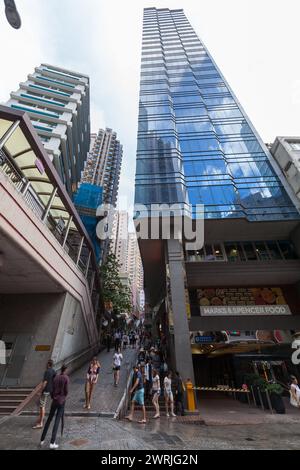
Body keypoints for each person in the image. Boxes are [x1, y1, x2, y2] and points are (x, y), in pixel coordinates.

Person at [40, 364, 69, 450]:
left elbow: (52, 389)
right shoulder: (66, 378)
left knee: (49, 419)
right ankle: (52, 442)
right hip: (61, 401)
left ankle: (42, 439)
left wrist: (53, 397)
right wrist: (64, 397)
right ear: (66, 370)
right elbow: (66, 391)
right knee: (57, 421)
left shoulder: (56, 377)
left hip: (54, 401)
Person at [32, 360, 56, 429]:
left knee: (42, 406)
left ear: (48, 364)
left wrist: (41, 391)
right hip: (49, 391)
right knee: (41, 404)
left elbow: (45, 382)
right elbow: (54, 380)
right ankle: (40, 419)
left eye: (46, 364)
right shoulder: (54, 371)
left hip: (45, 391)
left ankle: (41, 423)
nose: (46, 365)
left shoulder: (47, 371)